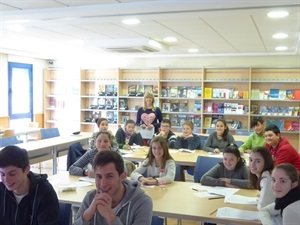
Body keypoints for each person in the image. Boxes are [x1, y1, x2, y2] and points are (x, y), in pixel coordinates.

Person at [74, 150, 153, 225]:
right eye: (99, 176)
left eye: (109, 176)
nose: (103, 183)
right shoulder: (91, 197)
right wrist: (88, 214)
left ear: (122, 177)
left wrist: (110, 217)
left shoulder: (142, 202)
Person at [0, 145, 59, 225]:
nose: (6, 180)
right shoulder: (1, 190)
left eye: (12, 174)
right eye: (2, 174)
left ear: (27, 169)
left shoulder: (44, 192)